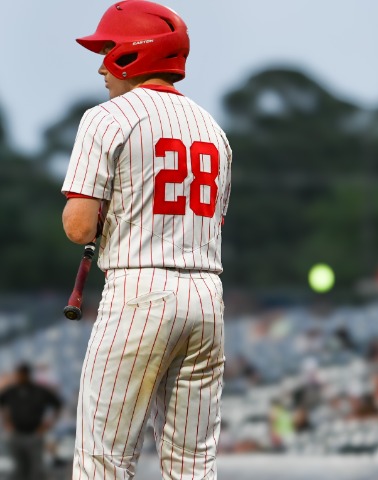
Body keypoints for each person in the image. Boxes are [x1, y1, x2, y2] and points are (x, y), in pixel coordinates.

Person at [60, 1, 232, 478]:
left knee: (104, 458)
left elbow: (79, 227)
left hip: (140, 290)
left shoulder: (107, 117)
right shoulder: (214, 130)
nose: (101, 66)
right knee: (194, 464)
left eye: (107, 50)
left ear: (132, 53)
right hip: (207, 296)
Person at [0, 363, 63, 480]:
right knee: (19, 469)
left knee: (36, 470)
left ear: (27, 375)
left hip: (34, 434)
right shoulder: (11, 391)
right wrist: (6, 422)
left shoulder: (39, 391)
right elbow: (2, 404)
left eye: (22, 375)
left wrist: (48, 424)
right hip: (16, 434)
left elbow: (58, 405)